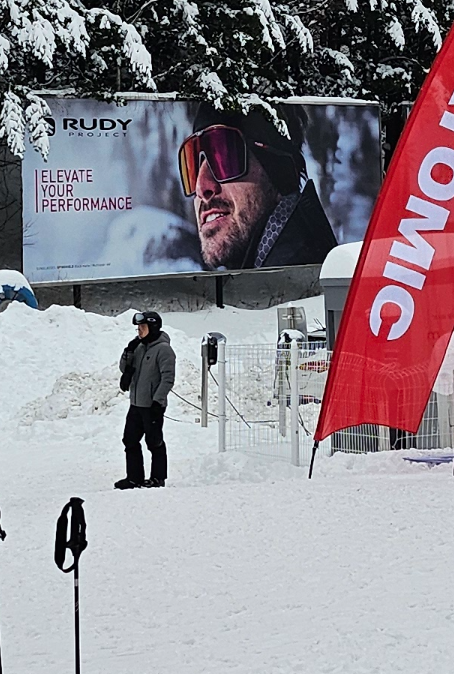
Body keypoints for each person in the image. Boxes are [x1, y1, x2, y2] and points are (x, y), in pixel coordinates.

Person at [178, 109, 336, 272]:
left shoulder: (301, 279)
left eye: (225, 160)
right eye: (192, 164)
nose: (201, 187)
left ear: (280, 173)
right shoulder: (263, 276)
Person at [117, 309, 175, 488]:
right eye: (138, 328)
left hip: (152, 406)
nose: (139, 331)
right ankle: (134, 478)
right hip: (136, 404)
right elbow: (123, 368)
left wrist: (158, 401)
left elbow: (168, 378)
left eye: (142, 327)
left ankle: (158, 478)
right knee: (130, 440)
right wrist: (128, 351)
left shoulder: (164, 350)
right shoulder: (140, 347)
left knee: (154, 442)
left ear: (153, 327)